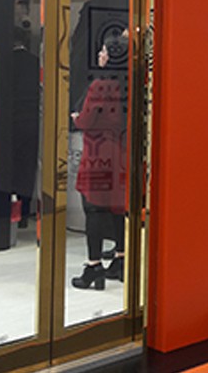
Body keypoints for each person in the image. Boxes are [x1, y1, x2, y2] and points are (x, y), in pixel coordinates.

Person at [70, 40, 127, 290]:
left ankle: (94, 266)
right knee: (117, 207)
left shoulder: (100, 85)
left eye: (103, 50)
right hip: (121, 153)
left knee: (92, 209)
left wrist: (76, 118)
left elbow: (86, 120)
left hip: (98, 153)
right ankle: (120, 260)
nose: (100, 54)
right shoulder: (129, 84)